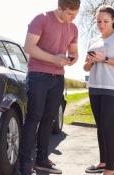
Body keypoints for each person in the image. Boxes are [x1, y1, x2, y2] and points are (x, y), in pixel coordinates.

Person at [19, 0, 80, 175]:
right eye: (70, 13)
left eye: (76, 14)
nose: (72, 17)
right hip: (38, 75)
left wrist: (72, 58)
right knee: (34, 118)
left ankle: (42, 160)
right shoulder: (41, 19)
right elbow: (29, 47)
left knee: (49, 119)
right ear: (60, 8)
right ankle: (25, 165)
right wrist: (54, 59)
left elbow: (74, 51)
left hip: (58, 77)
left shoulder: (73, 28)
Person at [83, 5, 114, 175]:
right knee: (100, 127)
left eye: (105, 21)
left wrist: (104, 59)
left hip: (113, 88)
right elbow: (85, 67)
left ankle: (110, 170)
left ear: (113, 20)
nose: (101, 24)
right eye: (98, 21)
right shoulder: (93, 40)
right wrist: (91, 61)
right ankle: (103, 162)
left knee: (107, 126)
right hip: (95, 87)